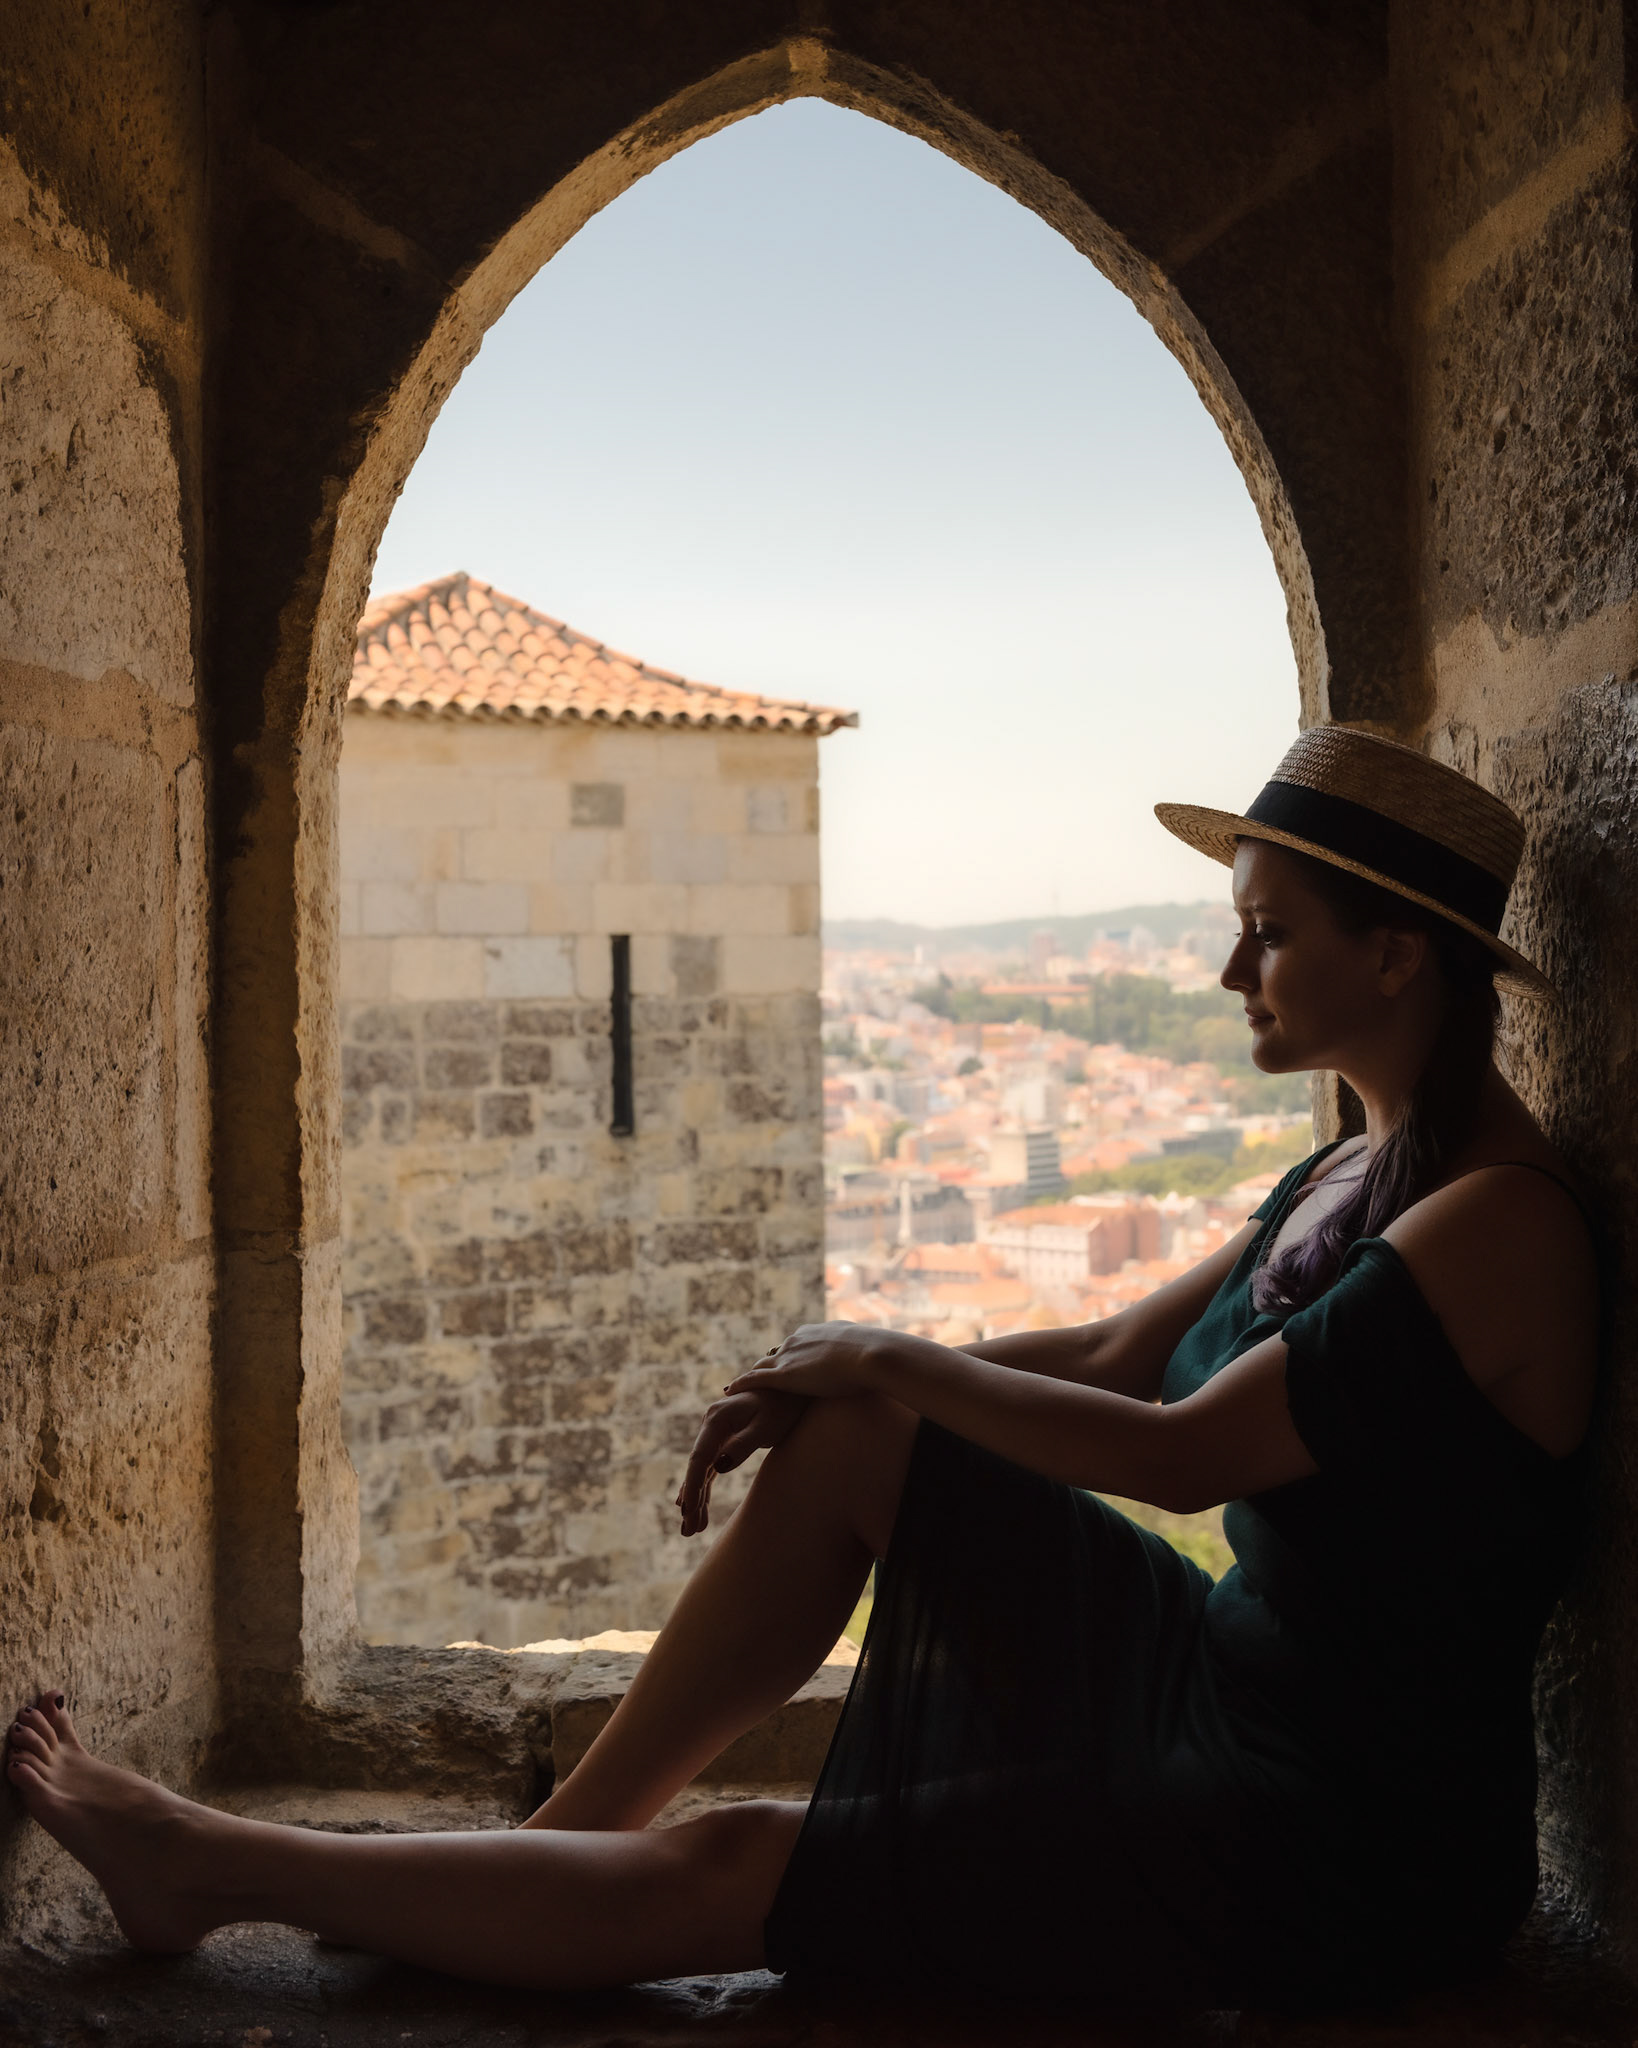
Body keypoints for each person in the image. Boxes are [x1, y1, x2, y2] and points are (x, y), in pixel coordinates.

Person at [6, 727, 1599, 2007]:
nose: (1229, 975)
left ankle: (206, 1867)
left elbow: (1181, 1453)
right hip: (1227, 1675)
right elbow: (1120, 1351)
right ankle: (560, 1847)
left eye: (1266, 936)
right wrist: (842, 1384)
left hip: (1339, 1835)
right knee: (854, 1438)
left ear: (1394, 960)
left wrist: (882, 1348)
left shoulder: (1494, 1225)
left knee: (741, 1866)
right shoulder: (1358, 1166)